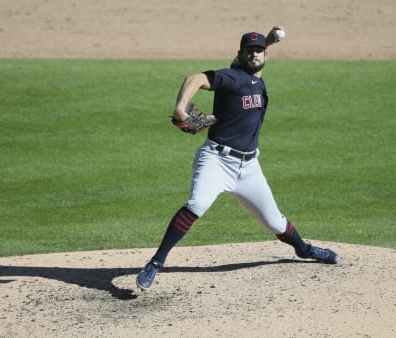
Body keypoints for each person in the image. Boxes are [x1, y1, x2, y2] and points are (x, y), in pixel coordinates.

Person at [136, 26, 340, 290]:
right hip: (217, 161)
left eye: (258, 51)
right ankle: (156, 262)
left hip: (249, 167)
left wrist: (267, 42)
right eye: (249, 51)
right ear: (239, 55)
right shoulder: (231, 78)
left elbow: (256, 59)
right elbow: (196, 77)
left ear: (265, 54)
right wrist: (179, 107)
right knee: (196, 204)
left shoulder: (256, 76)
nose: (254, 55)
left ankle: (304, 249)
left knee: (274, 222)